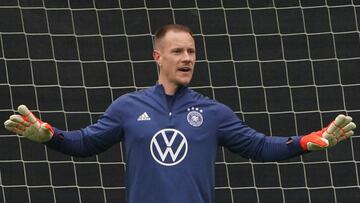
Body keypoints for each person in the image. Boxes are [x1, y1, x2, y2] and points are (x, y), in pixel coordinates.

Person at [3, 24, 356, 203]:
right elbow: (86, 143)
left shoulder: (213, 112)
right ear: (158, 57)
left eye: (191, 51)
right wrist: (50, 136)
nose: (187, 58)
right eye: (177, 51)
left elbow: (260, 147)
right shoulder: (128, 106)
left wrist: (307, 142)